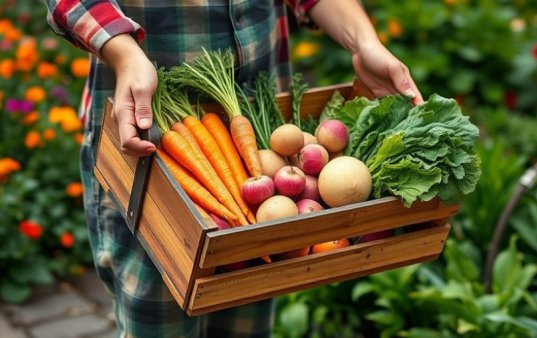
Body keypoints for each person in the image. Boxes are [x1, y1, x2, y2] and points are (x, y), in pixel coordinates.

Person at [44, 0, 423, 337]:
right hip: (146, 139)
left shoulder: (273, 171)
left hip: (258, 138)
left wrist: (364, 42)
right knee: (157, 320)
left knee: (248, 307)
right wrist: (125, 55)